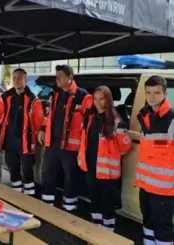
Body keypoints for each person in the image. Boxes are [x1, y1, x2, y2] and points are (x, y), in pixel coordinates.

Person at [38, 64, 92, 212]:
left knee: (71, 180)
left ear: (70, 77)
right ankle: (47, 208)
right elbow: (48, 116)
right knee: (48, 176)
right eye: (57, 76)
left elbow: (89, 123)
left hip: (71, 148)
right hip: (52, 144)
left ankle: (69, 210)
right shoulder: (55, 95)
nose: (57, 78)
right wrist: (43, 129)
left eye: (61, 76)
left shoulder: (84, 96)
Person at [77, 86, 132, 231]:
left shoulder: (116, 121)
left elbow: (125, 147)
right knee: (94, 201)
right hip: (90, 167)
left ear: (108, 100)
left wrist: (112, 152)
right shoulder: (89, 117)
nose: (98, 102)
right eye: (95, 99)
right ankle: (96, 230)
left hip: (107, 172)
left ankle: (107, 234)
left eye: (102, 99)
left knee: (107, 204)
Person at [135, 76, 174, 245]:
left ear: (165, 93)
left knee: (163, 228)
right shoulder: (147, 117)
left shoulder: (171, 119)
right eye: (148, 92)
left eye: (156, 93)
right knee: (148, 223)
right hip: (145, 185)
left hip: (164, 189)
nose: (152, 97)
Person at [0, 68, 45, 196]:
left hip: (26, 143)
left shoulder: (34, 101)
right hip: (10, 141)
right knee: (13, 170)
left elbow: (39, 125)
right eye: (15, 78)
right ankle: (16, 197)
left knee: (28, 172)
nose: (17, 80)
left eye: (20, 78)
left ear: (26, 80)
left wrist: (34, 140)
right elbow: (2, 117)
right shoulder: (7, 97)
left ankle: (29, 199)